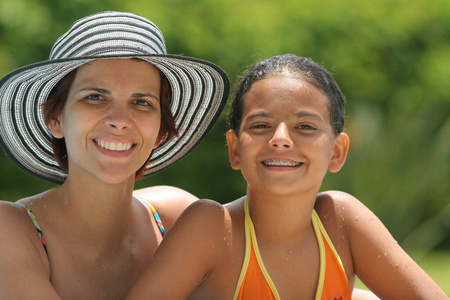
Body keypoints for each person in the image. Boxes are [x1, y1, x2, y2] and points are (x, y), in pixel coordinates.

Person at [126, 54, 448, 299]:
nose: (280, 138)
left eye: (305, 127)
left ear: (337, 152)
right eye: (260, 125)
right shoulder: (213, 229)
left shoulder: (341, 222)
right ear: (235, 149)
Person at [0, 11, 229, 299]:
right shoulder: (11, 229)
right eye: (95, 97)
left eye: (141, 102)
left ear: (160, 129)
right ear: (55, 118)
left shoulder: (178, 218)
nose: (120, 120)